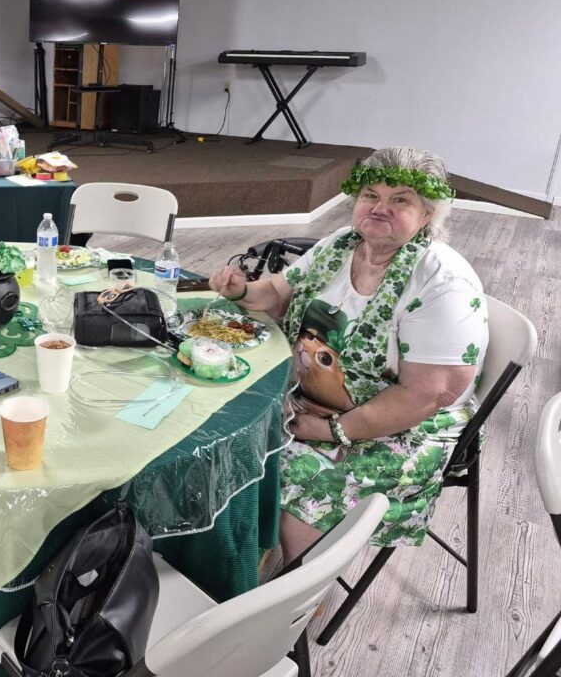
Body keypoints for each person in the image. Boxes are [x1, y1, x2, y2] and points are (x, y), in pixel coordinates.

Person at [209, 147, 488, 560]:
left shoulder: (441, 281)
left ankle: (299, 598)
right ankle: (241, 558)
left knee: (299, 488)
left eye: (400, 200)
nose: (379, 208)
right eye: (370, 195)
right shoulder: (341, 245)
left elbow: (429, 395)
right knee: (221, 441)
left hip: (404, 426)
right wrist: (245, 291)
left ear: (427, 215)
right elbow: (279, 294)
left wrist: (330, 431)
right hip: (313, 396)